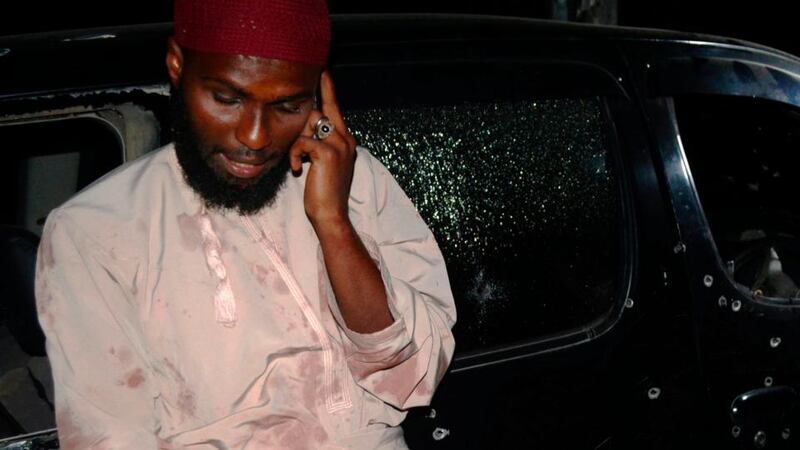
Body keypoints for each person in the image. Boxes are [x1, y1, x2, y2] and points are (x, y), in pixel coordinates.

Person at [34, 0, 456, 448]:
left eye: (287, 105)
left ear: (318, 93)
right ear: (177, 65)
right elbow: (111, 437)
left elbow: (415, 377)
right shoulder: (97, 231)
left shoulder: (353, 181)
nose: (254, 137)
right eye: (227, 99)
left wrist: (333, 222)